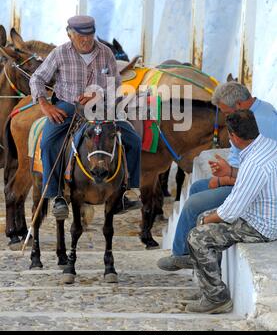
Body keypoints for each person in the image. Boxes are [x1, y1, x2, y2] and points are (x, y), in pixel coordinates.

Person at [30, 15, 142, 220]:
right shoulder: (60, 53)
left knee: (133, 139)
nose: (86, 40)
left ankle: (129, 191)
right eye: (81, 37)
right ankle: (56, 197)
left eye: (90, 36)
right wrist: (45, 104)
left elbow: (115, 84)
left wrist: (98, 93)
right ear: (70, 35)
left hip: (100, 107)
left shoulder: (105, 52)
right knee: (47, 142)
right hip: (68, 106)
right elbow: (37, 78)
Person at [157, 81, 277, 271]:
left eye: (226, 112)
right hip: (239, 177)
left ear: (238, 105)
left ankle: (183, 255)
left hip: (252, 191)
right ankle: (185, 253)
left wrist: (224, 179)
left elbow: (257, 175)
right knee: (197, 188)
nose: (226, 118)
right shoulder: (257, 111)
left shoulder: (263, 120)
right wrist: (228, 171)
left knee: (193, 205)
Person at [185, 110, 277, 313]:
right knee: (204, 220)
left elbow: (230, 211)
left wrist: (206, 221)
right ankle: (208, 287)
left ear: (234, 137)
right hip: (262, 215)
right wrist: (230, 172)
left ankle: (217, 298)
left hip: (261, 227)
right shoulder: (266, 145)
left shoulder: (254, 162)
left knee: (197, 235)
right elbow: (251, 179)